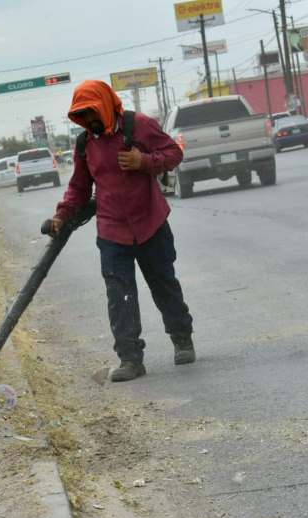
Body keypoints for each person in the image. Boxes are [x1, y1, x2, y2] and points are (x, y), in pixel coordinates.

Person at [49, 80, 194, 382]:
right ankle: (130, 359)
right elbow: (78, 187)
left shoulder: (139, 125)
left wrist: (145, 161)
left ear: (104, 105)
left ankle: (182, 338)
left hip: (150, 222)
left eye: (92, 113)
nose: (88, 121)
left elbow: (173, 153)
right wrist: (62, 215)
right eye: (82, 116)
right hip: (112, 230)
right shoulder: (85, 144)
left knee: (164, 284)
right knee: (119, 296)